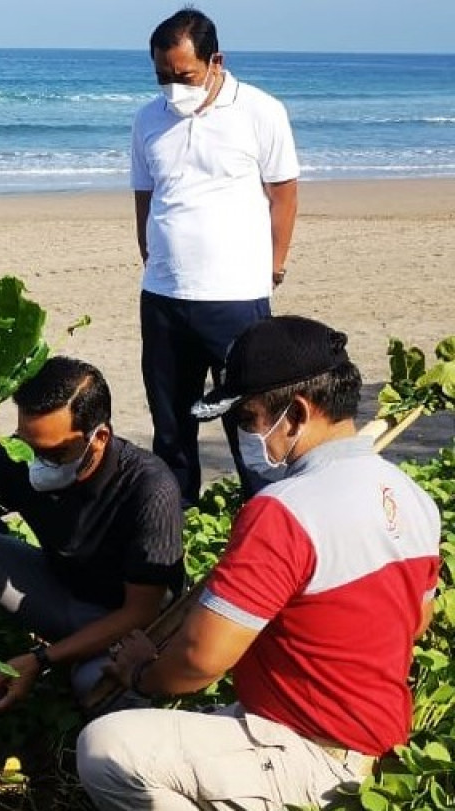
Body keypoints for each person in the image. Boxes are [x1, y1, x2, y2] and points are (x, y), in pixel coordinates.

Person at [77, 316, 442, 811]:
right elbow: (417, 620)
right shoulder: (412, 497)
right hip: (375, 750)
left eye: (247, 418)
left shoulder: (285, 510)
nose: (247, 434)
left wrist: (141, 674)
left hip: (311, 758)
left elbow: (199, 661)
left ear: (294, 414)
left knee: (108, 747)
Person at [0, 356, 184, 731]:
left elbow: (140, 613)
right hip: (61, 590)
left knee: (94, 688)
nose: (34, 461)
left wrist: (41, 659)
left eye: (52, 453)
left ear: (98, 438)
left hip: (127, 625)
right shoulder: (20, 458)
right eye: (27, 443)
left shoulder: (149, 487)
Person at [131, 8, 300, 506]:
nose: (172, 87)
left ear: (214, 61)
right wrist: (150, 256)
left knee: (251, 422)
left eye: (183, 75)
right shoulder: (147, 119)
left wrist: (274, 265)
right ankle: (175, 525)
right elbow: (146, 195)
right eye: (162, 76)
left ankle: (261, 521)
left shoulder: (261, 111)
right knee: (171, 425)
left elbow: (284, 193)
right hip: (163, 297)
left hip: (236, 298)